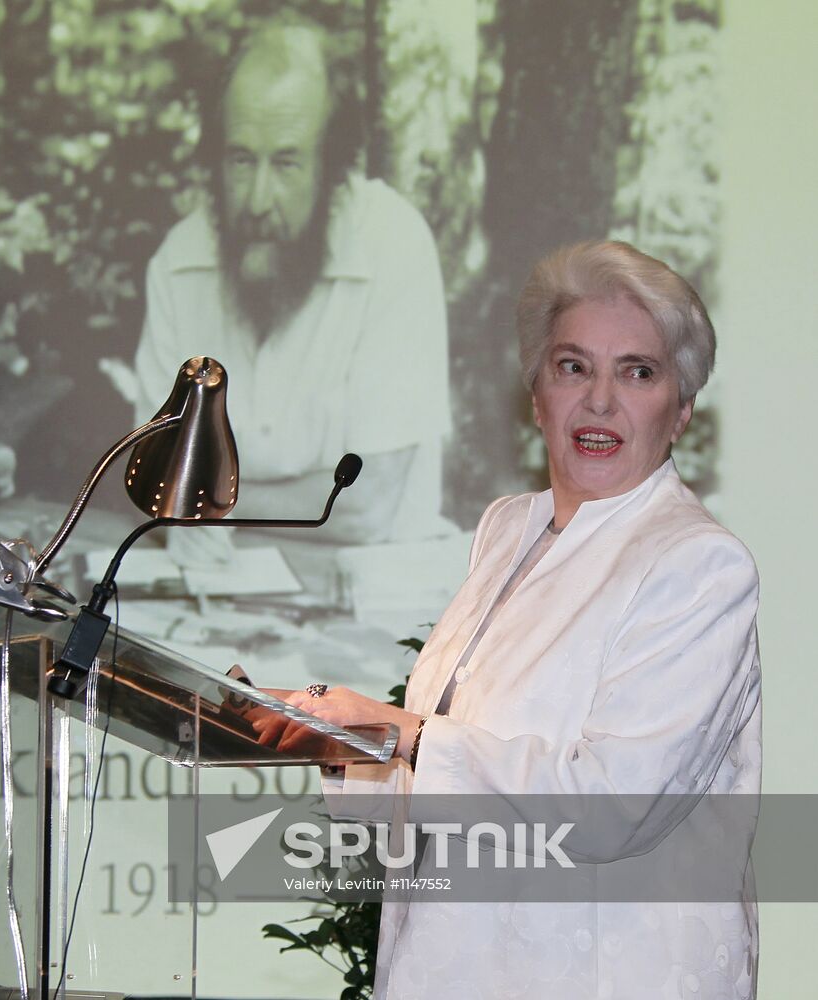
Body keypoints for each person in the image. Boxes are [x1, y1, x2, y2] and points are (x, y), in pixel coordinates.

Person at [264, 240, 762, 999]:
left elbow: (611, 809)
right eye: (572, 367)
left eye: (637, 371)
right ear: (536, 396)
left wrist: (404, 732)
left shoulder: (696, 563)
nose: (599, 400)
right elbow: (438, 802)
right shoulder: (507, 531)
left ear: (682, 410)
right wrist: (339, 744)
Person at [104, 21, 451, 554]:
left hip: (364, 606)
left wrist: (209, 506)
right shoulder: (179, 261)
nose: (259, 199)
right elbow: (158, 483)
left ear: (332, 168)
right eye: (242, 160)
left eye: (287, 163)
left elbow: (363, 506)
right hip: (206, 596)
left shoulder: (393, 245)